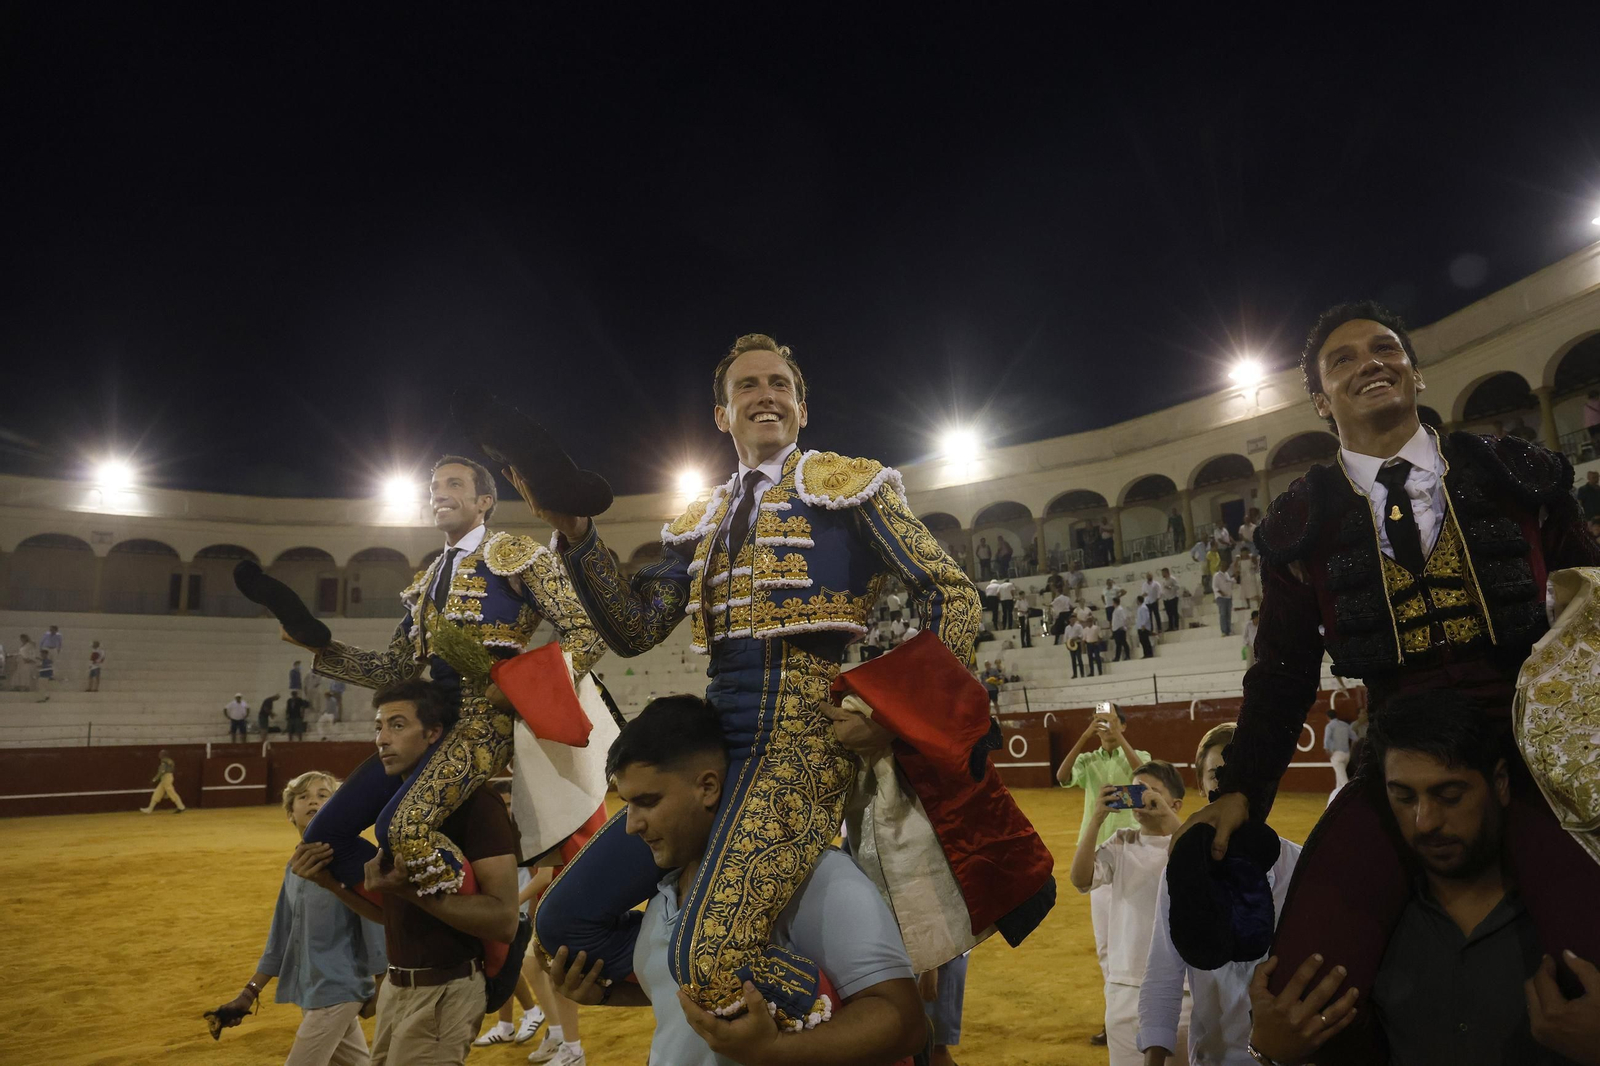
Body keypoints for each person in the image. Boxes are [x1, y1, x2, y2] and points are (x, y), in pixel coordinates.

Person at [533, 333, 1049, 1029]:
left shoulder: (849, 486)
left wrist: (888, 712)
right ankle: (721, 971)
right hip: (708, 748)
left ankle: (828, 1004)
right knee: (564, 923)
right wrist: (577, 534)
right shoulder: (701, 518)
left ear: (802, 407)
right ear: (722, 415)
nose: (764, 395)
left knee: (708, 958)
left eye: (778, 384)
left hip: (800, 747)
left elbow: (951, 593)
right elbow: (633, 629)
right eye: (747, 386)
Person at [1174, 301, 1600, 1066]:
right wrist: (1241, 790)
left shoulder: (1516, 474)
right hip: (1396, 762)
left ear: (1414, 370)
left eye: (1385, 349)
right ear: (1319, 400)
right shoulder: (1301, 522)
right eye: (1343, 360)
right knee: (1305, 984)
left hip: (1531, 754)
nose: (1369, 362)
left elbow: (1593, 600)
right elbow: (1282, 671)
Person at [258, 453, 606, 898]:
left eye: (454, 484)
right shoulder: (426, 583)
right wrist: (320, 648)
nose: (439, 493)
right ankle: (400, 919)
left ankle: (476, 922)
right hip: (426, 724)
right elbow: (395, 669)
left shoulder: (516, 554)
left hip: (485, 723)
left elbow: (586, 630)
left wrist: (519, 688)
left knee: (403, 829)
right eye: (435, 487)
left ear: (484, 501)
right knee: (324, 835)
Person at [542, 694, 926, 1066]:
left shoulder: (818, 878)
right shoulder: (665, 891)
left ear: (707, 787)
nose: (631, 825)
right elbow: (685, 996)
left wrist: (776, 1052)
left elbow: (905, 1024)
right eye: (626, 803)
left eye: (648, 801)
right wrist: (608, 997)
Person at [1244, 691, 1600, 1066]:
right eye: (1404, 797)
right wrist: (1268, 1054)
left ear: (1500, 783)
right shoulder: (1368, 928)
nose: (1424, 821)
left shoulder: (1565, 914)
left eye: (1449, 795)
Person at [334, 680, 522, 1066]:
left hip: (445, 992)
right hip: (398, 988)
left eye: (397, 725)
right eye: (379, 726)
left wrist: (409, 893)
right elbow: (397, 914)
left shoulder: (477, 804)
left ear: (434, 733)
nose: (382, 739)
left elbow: (504, 921)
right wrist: (328, 882)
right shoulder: (399, 807)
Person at [1137, 724, 1302, 1066]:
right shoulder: (1183, 870)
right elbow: (1163, 974)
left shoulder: (1304, 867)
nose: (1230, 789)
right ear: (1201, 785)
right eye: (1217, 775)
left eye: (1244, 776)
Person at [212, 771, 386, 1065]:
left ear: (339, 808)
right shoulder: (293, 868)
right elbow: (280, 937)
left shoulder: (352, 861)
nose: (313, 802)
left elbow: (377, 924)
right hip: (312, 992)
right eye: (303, 797)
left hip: (339, 991)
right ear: (290, 813)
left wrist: (381, 988)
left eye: (323, 795)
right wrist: (248, 994)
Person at [1068, 759, 1187, 1066]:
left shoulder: (1189, 841)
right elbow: (1080, 878)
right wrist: (1096, 819)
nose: (1140, 796)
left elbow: (1195, 849)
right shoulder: (1122, 841)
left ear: (1175, 803)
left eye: (1150, 791)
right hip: (1124, 984)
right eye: (1134, 789)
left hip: (1182, 989)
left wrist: (1168, 818)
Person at [1056, 705, 1149, 1047]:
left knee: (1140, 940)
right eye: (1101, 725)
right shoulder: (1089, 760)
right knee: (1107, 947)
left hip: (1133, 854)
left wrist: (1119, 737)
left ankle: (1144, 1015)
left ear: (1124, 724)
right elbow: (1062, 777)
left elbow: (1145, 772)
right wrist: (1085, 734)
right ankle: (1115, 1021)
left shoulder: (1136, 755)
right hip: (1098, 858)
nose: (1106, 728)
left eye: (1112, 722)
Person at [141, 749, 187, 813]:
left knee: (171, 792)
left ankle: (181, 807)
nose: (159, 755)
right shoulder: (170, 761)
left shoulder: (164, 762)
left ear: (163, 755)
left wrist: (154, 779)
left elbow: (161, 771)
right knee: (158, 792)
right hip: (168, 777)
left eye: (160, 754)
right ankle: (150, 809)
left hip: (166, 778)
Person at [1322, 708, 1352, 805]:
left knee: (1343, 781)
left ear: (1327, 717)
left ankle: (1349, 800)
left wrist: (1327, 750)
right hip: (1347, 754)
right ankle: (1336, 801)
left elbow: (1326, 740)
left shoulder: (1330, 726)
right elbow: (1354, 737)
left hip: (1336, 754)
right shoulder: (1345, 725)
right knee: (1339, 779)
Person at [1211, 565, 1234, 637]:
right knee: (1223, 614)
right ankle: (1224, 631)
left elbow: (1230, 583)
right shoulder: (1216, 575)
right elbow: (1215, 587)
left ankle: (1228, 630)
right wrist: (1222, 593)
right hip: (1221, 597)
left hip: (1228, 597)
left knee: (1228, 614)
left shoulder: (1227, 575)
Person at [1110, 597, 1132, 662]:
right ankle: (1117, 657)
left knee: (1123, 642)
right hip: (1116, 629)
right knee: (1118, 644)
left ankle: (1127, 655)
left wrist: (1122, 626)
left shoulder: (1120, 609)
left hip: (1120, 629)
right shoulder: (1116, 609)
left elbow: (1123, 618)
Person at [1585, 389, 1600, 453]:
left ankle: (1597, 450)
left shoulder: (1586, 405)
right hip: (1597, 422)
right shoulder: (1598, 402)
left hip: (1589, 425)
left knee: (1594, 438)